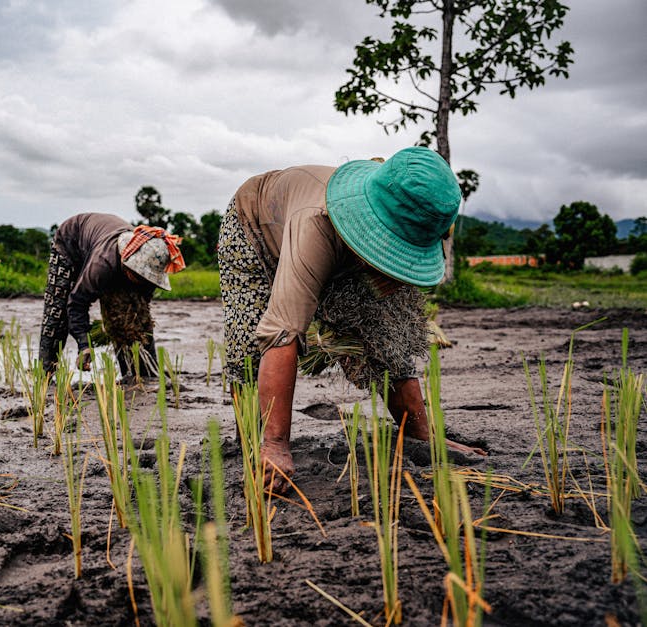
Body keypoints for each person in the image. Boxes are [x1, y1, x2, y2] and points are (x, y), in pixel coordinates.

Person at [217, 147, 487, 492]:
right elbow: (280, 333)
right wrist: (276, 445)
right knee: (249, 341)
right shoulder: (314, 225)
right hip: (254, 225)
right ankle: (257, 443)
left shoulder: (424, 211)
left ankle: (419, 432)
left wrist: (426, 438)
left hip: (336, 240)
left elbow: (387, 340)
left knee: (383, 329)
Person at [38, 213, 185, 377]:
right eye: (139, 276)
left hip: (103, 245)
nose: (141, 281)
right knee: (57, 312)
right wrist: (84, 344)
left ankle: (139, 374)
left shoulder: (148, 277)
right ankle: (45, 374)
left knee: (126, 318)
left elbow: (141, 317)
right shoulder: (102, 264)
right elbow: (77, 302)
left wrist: (117, 325)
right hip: (70, 243)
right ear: (128, 264)